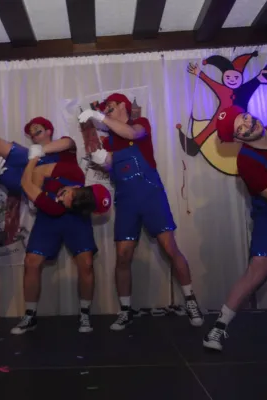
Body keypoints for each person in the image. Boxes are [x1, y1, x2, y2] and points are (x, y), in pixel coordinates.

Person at [78, 93, 204, 331]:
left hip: (150, 194)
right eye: (105, 109)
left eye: (110, 107)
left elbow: (131, 134)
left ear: (123, 105)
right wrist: (102, 159)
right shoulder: (109, 142)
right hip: (126, 199)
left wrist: (98, 116)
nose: (107, 110)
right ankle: (125, 311)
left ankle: (190, 300)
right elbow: (111, 168)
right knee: (122, 255)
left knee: (170, 247)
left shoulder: (140, 124)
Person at [9, 118, 112, 335]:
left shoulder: (66, 155)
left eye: (38, 129)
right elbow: (26, 182)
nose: (35, 133)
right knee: (32, 261)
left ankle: (85, 313)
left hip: (75, 215)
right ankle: (30, 315)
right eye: (31, 133)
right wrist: (32, 161)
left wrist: (37, 153)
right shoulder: (50, 199)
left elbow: (69, 143)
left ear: (49, 130)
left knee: (86, 263)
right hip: (49, 213)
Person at [203, 104, 267, 352]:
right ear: (238, 139)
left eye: (245, 117)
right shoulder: (246, 162)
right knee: (258, 269)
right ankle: (219, 326)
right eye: (240, 128)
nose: (249, 124)